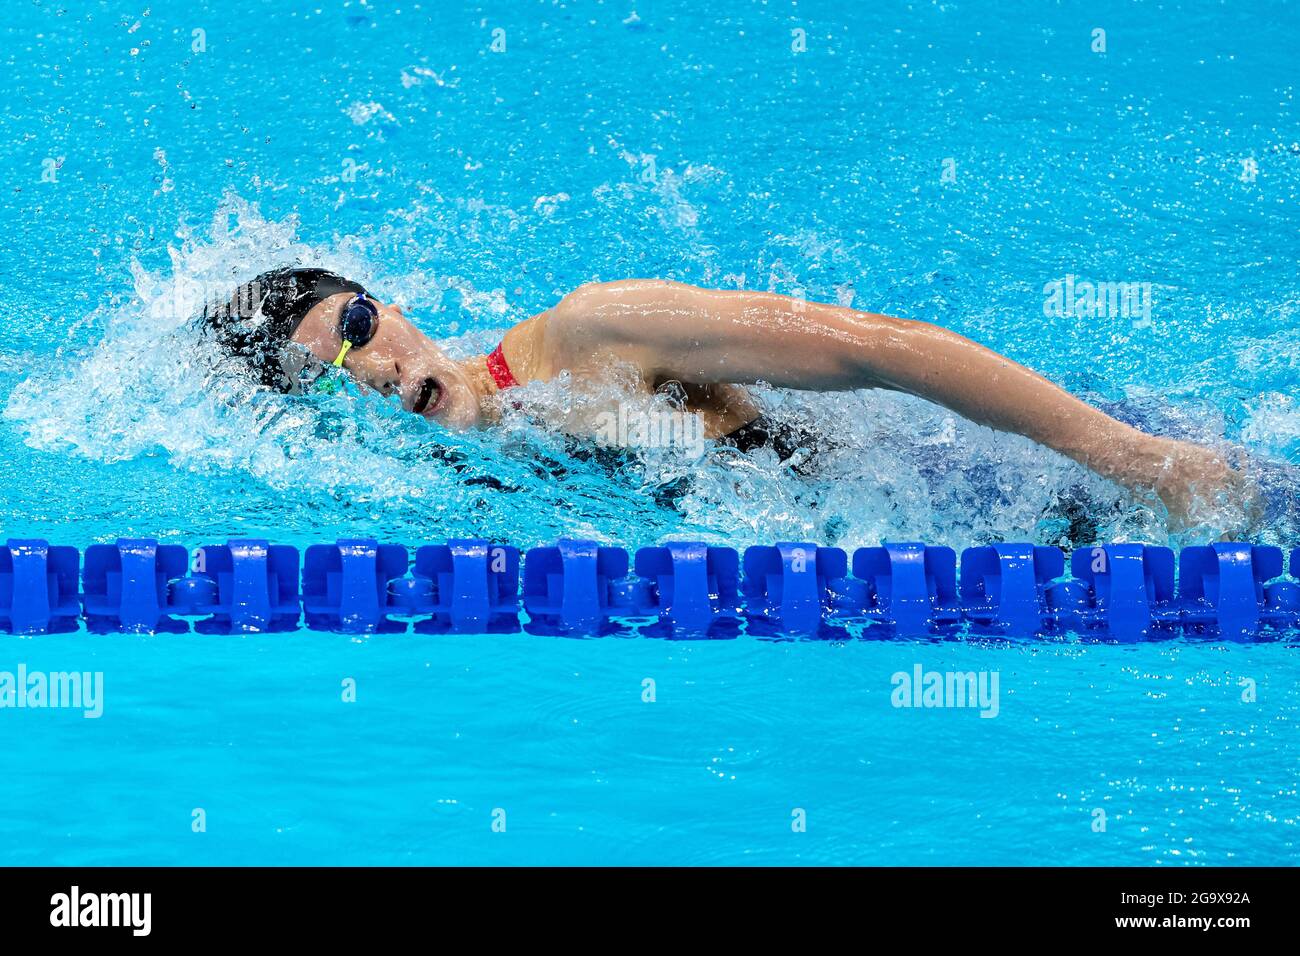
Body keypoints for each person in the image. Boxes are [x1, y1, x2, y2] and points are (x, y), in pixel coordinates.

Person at [201, 266, 1251, 528]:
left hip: (998, 483)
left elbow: (878, 349)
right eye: (329, 374)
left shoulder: (587, 336)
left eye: (355, 327)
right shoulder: (449, 486)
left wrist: (1142, 461)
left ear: (387, 305)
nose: (373, 368)